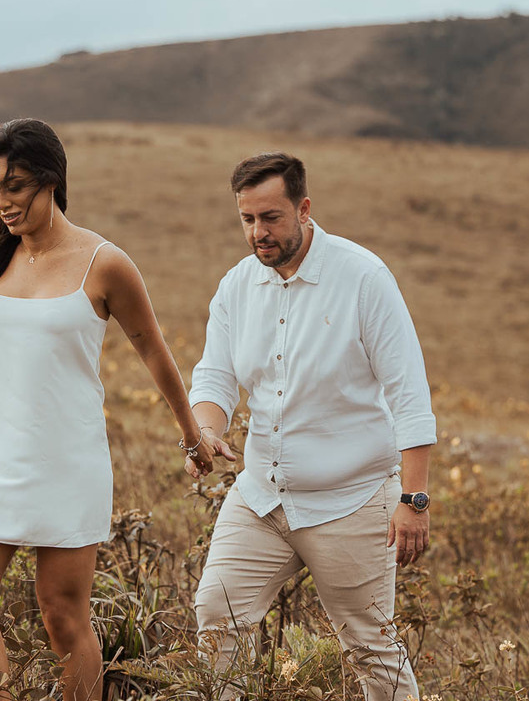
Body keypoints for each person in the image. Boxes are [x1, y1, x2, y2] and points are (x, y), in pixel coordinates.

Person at [0, 118, 215, 701]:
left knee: (63, 617)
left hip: (67, 464)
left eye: (15, 187)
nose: (2, 203)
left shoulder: (105, 263)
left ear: (51, 180)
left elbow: (153, 349)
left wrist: (192, 435)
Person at [186, 152, 436, 701]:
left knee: (370, 647)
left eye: (271, 217)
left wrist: (413, 498)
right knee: (215, 618)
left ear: (303, 209)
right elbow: (215, 376)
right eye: (247, 219)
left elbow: (409, 393)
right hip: (261, 498)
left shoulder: (364, 278)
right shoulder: (235, 286)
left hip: (352, 500)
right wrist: (205, 428)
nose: (259, 232)